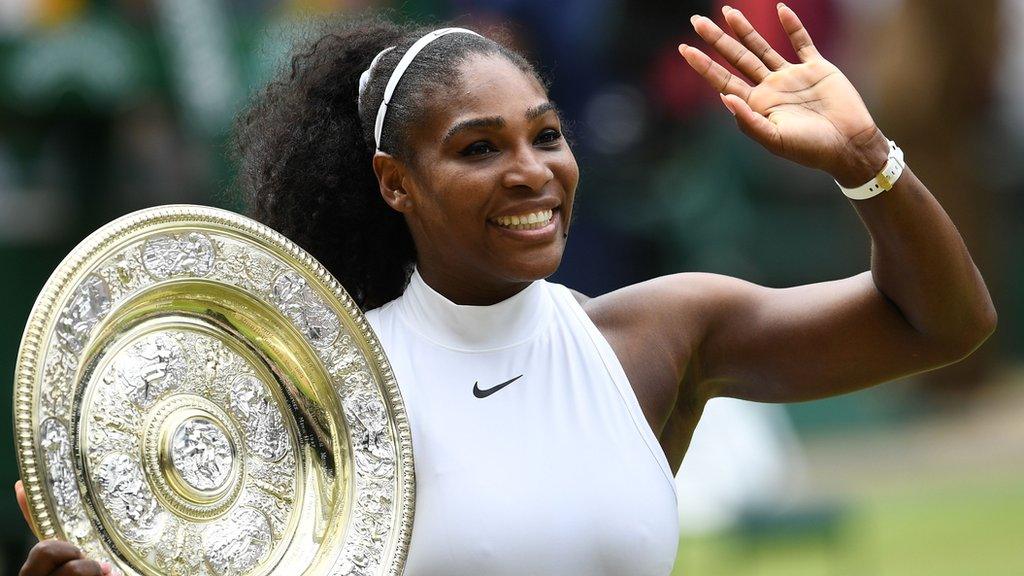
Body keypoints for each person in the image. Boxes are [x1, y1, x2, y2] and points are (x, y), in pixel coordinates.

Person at [15, 4, 996, 576]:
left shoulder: (657, 337)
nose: (531, 170)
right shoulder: (322, 391)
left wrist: (867, 160)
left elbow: (942, 325)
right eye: (478, 148)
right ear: (395, 183)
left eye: (546, 135)